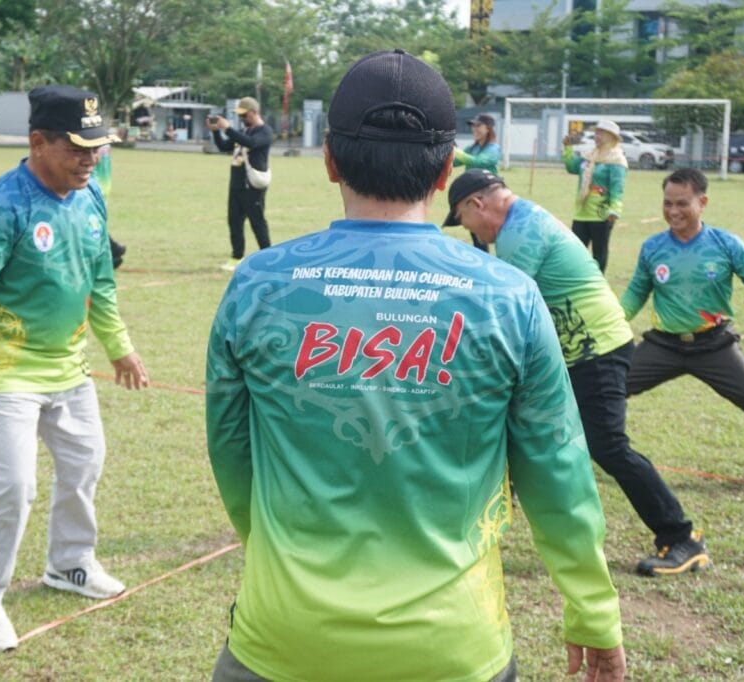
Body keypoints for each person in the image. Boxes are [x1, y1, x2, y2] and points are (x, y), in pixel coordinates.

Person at [205, 49, 625, 682]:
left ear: (328, 160)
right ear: (444, 174)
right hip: (454, 648)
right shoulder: (508, 296)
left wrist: (276, 554)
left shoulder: (257, 284)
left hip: (285, 640)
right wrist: (593, 610)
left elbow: (233, 455)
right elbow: (559, 472)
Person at [0, 84, 151, 653]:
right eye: (78, 148)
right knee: (14, 485)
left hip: (69, 369)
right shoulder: (2, 207)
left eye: (98, 147)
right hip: (4, 371)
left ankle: (70, 565)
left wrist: (118, 346)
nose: (90, 158)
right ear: (37, 141)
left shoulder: (91, 193)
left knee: (85, 462)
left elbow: (99, 278)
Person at [445, 168, 708, 577]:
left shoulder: (520, 232)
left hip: (597, 351)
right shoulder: (522, 220)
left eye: (464, 219)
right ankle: (488, 514)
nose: (470, 230)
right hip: (577, 351)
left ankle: (682, 538)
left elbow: (507, 306)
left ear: (476, 204)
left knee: (609, 447)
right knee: (518, 420)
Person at [621, 168, 744, 489]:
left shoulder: (725, 243)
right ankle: (593, 449)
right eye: (667, 203)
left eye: (682, 204)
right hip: (664, 344)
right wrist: (616, 318)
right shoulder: (653, 247)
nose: (673, 211)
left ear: (702, 202)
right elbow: (636, 292)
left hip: (714, 344)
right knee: (609, 387)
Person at [208, 97, 273, 272]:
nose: (242, 119)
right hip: (236, 185)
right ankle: (237, 257)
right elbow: (224, 146)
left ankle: (268, 258)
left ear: (253, 112)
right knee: (234, 222)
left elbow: (251, 143)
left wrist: (227, 128)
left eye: (244, 115)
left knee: (257, 222)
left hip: (252, 186)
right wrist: (216, 131)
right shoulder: (244, 131)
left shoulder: (264, 132)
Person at [562, 121, 628, 273]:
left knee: (599, 254)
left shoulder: (617, 161)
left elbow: (617, 188)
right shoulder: (590, 156)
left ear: (611, 137)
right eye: (596, 132)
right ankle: (578, 280)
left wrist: (615, 210)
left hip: (601, 215)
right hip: (581, 213)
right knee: (576, 253)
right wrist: (567, 148)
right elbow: (572, 167)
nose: (596, 136)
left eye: (601, 133)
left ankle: (598, 284)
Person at [452, 113, 501, 252]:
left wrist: (457, 152)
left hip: (489, 197)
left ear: (488, 128)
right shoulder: (472, 148)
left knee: (490, 235)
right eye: (473, 126)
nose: (474, 129)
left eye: (478, 125)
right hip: (472, 197)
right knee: (476, 234)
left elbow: (479, 161)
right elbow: (456, 162)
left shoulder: (494, 148)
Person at [90, 143, 127, 269]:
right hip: (103, 184)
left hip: (94, 185)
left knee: (91, 224)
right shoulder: (104, 142)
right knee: (94, 223)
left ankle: (112, 251)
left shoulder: (94, 141)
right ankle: (113, 251)